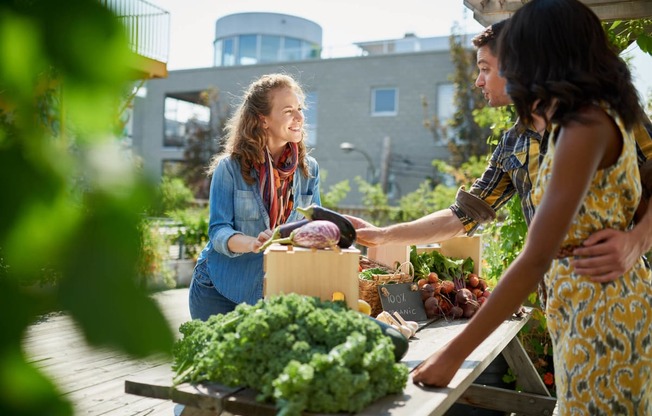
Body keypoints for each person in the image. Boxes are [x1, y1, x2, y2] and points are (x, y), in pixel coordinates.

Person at [411, 0, 652, 414]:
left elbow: (536, 256)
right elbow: (471, 213)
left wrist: (453, 355)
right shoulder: (578, 121)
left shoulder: (583, 125)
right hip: (584, 305)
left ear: (544, 55)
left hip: (603, 313)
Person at [346, 19, 652, 284]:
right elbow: (462, 215)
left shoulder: (605, 119)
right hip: (560, 296)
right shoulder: (512, 144)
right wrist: (384, 234)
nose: (478, 81)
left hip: (625, 289)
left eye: (485, 69)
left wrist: (636, 242)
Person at [188, 73, 321, 320]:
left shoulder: (308, 170)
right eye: (288, 111)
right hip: (220, 289)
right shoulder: (229, 168)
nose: (300, 117)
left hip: (276, 289)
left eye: (300, 109)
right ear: (263, 120)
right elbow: (218, 231)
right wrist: (252, 243)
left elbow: (315, 225)